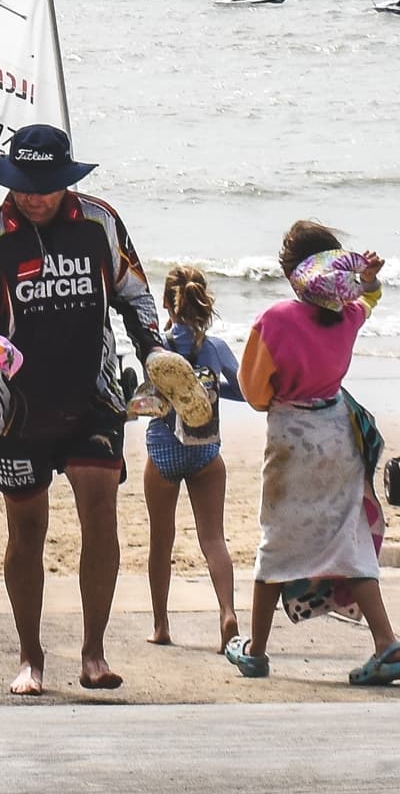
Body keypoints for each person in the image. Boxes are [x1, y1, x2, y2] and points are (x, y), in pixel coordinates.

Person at [0, 122, 164, 697]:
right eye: (24, 184)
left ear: (66, 180)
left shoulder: (101, 223)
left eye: (47, 184)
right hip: (15, 412)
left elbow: (135, 297)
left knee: (100, 518)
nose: (34, 195)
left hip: (95, 399)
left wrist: (155, 352)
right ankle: (31, 660)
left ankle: (93, 654)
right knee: (27, 531)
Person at [234, 223, 400, 686]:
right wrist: (367, 279)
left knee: (278, 541)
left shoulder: (274, 320)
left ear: (292, 272)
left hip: (293, 439)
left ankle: (256, 650)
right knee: (346, 541)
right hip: (339, 432)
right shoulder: (348, 315)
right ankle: (385, 642)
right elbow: (369, 298)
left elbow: (253, 392)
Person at [140, 262, 242, 653]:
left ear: (166, 303)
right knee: (214, 539)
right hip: (206, 451)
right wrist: (210, 391)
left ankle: (161, 625)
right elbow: (245, 392)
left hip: (164, 451)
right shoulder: (215, 349)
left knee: (160, 542)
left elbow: (149, 401)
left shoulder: (156, 350)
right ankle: (227, 614)